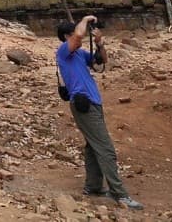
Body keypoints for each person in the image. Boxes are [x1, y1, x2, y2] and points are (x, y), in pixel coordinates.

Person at [56, 15, 144, 211]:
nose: (79, 36)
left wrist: (99, 43)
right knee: (106, 149)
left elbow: (101, 62)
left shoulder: (79, 54)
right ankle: (119, 193)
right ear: (66, 36)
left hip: (94, 102)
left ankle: (93, 187)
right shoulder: (63, 52)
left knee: (93, 147)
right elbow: (78, 35)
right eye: (73, 34)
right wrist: (86, 19)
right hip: (83, 104)